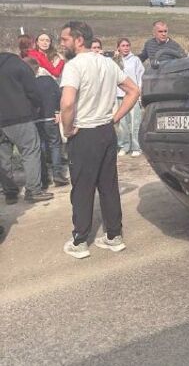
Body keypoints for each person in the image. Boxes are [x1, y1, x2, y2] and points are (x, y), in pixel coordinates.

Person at [59, 20, 140, 259]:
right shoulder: (107, 63)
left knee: (82, 189)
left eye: (65, 39)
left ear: (78, 40)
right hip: (106, 132)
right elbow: (134, 90)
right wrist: (114, 118)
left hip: (83, 133)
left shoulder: (74, 66)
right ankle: (114, 236)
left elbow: (67, 102)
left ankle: (80, 240)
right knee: (108, 186)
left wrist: (67, 127)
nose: (62, 44)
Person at [0, 51, 53, 203]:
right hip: (20, 116)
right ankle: (33, 190)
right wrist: (35, 107)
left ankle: (10, 193)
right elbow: (33, 91)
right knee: (30, 151)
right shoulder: (19, 65)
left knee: (3, 157)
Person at [24, 57, 69, 187]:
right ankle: (58, 174)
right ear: (38, 68)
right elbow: (59, 95)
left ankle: (44, 177)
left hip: (35, 119)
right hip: (50, 117)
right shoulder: (48, 80)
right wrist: (57, 110)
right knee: (55, 145)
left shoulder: (26, 84)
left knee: (40, 147)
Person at [114, 37, 145, 157]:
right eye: (123, 46)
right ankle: (124, 146)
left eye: (127, 45)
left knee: (134, 122)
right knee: (122, 124)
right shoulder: (115, 60)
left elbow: (140, 76)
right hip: (120, 95)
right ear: (118, 48)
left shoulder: (135, 60)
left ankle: (136, 146)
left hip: (133, 95)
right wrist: (115, 58)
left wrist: (139, 93)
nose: (126, 48)